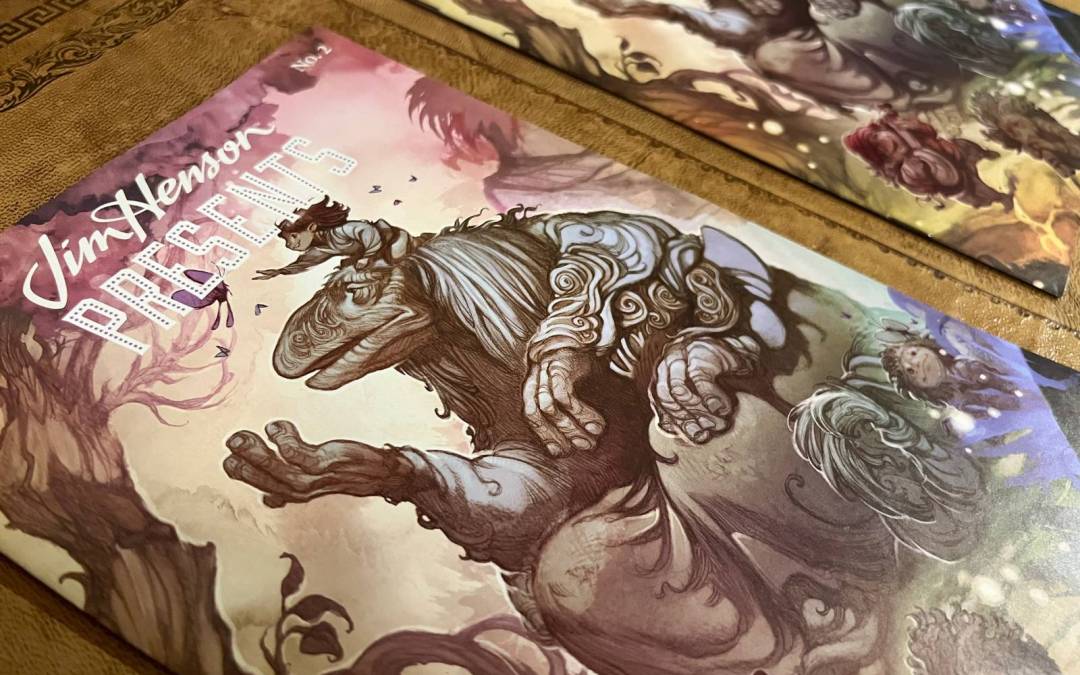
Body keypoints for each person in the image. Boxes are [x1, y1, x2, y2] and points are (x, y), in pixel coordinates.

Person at [253, 196, 414, 280]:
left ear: (311, 228)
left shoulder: (340, 231)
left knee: (392, 261)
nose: (290, 244)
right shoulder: (319, 249)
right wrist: (279, 271)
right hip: (366, 256)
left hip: (390, 241)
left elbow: (367, 231)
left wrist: (368, 256)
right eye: (287, 240)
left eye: (293, 236)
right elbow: (304, 263)